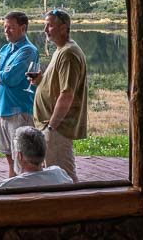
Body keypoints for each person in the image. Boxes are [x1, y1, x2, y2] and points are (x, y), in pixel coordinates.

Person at [32, 9, 87, 182]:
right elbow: (58, 85)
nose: (45, 29)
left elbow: (67, 94)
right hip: (51, 125)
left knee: (63, 177)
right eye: (45, 25)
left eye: (49, 25)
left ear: (63, 28)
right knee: (55, 175)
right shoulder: (61, 50)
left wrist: (52, 127)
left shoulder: (69, 54)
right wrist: (40, 80)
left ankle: (73, 207)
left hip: (57, 127)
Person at [0, 11, 39, 178]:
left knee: (24, 159)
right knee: (9, 157)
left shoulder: (28, 51)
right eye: (5, 27)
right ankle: (12, 192)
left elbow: (10, 78)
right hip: (3, 109)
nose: (6, 31)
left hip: (19, 111)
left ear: (23, 28)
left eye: (11, 28)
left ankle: (27, 196)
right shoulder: (5, 49)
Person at [0, 126, 73, 190]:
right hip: (58, 220)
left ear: (20, 156)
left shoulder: (7, 186)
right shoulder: (59, 174)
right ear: (43, 152)